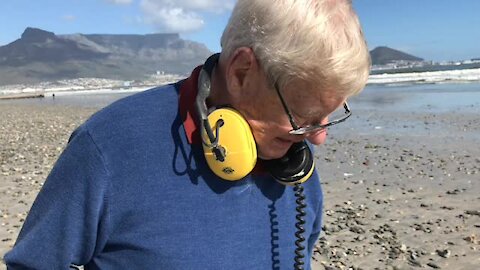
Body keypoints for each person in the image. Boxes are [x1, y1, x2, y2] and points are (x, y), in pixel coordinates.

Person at [4, 0, 370, 269]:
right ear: (242, 72)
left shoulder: (292, 162)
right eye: (306, 116)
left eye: (330, 116)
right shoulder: (108, 146)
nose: (318, 138)